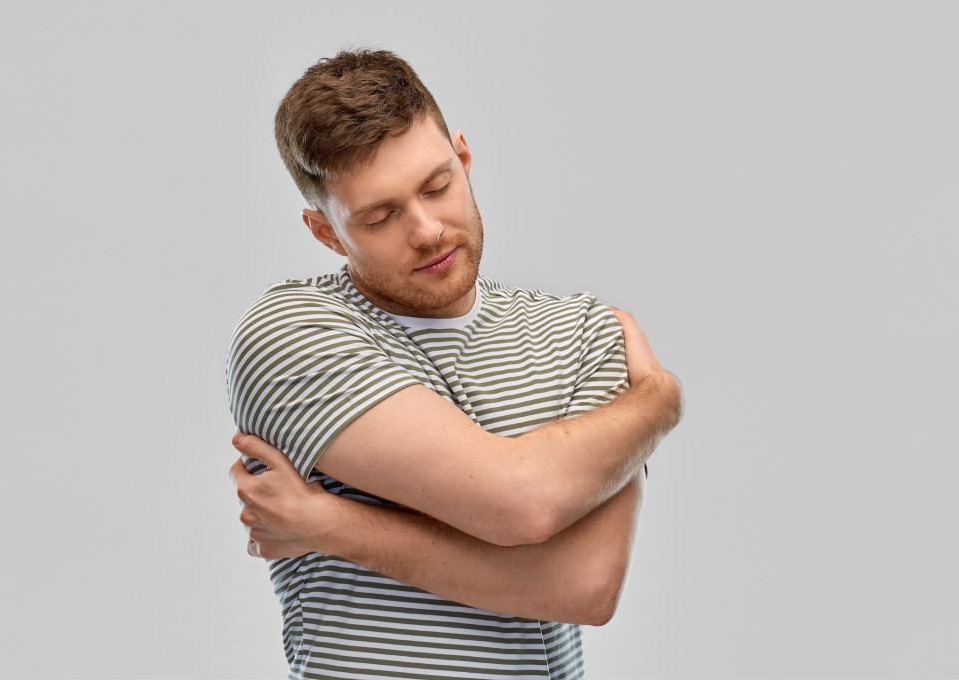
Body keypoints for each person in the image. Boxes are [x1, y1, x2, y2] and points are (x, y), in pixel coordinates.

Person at [226, 49, 683, 679]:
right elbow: (519, 504)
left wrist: (328, 523)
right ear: (325, 232)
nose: (427, 230)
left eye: (438, 185)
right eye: (380, 216)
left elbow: (585, 587)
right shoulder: (292, 332)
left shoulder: (581, 332)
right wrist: (654, 404)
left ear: (463, 159)